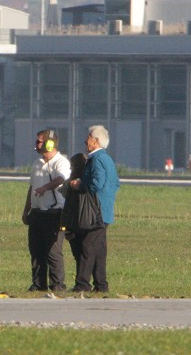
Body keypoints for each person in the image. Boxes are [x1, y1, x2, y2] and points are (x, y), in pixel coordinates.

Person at [68, 124, 120, 293]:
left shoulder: (97, 159)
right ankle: (101, 285)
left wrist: (80, 184)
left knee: (87, 246)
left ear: (96, 141)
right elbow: (115, 183)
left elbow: (97, 182)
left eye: (89, 137)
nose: (86, 140)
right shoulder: (107, 159)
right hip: (105, 210)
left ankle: (82, 284)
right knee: (99, 250)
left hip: (95, 211)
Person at [22, 128, 71, 292]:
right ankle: (38, 284)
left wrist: (45, 188)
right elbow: (31, 187)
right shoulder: (37, 163)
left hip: (54, 213)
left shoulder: (61, 162)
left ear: (50, 144)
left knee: (53, 251)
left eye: (39, 141)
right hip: (36, 213)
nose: (36, 144)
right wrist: (26, 210)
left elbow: (60, 179)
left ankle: (57, 284)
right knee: (36, 250)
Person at [60, 151, 89, 285]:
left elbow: (64, 194)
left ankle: (82, 282)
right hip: (78, 221)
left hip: (76, 221)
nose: (71, 169)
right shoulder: (82, 181)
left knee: (79, 254)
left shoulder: (77, 184)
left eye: (72, 166)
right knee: (81, 254)